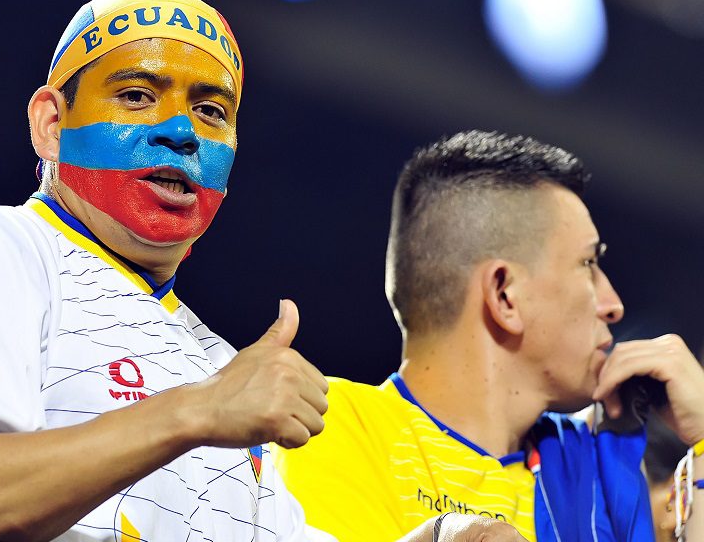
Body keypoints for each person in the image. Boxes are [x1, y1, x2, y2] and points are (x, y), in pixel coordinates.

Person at [0, 0, 524, 542]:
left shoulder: (219, 364)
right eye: (137, 96)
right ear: (51, 124)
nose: (181, 132)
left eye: (210, 111)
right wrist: (197, 411)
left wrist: (439, 539)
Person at [273, 130, 704, 541]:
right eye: (588, 265)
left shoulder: (596, 464)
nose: (613, 305)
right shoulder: (329, 425)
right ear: (504, 294)